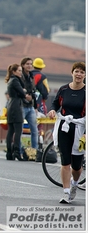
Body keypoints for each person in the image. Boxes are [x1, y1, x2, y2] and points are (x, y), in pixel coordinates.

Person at [47, 62, 85, 204]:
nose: (79, 74)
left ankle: (74, 183)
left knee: (76, 166)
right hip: (64, 127)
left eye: (82, 72)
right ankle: (66, 193)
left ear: (85, 75)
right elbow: (56, 104)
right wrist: (52, 110)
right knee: (65, 162)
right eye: (76, 71)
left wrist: (86, 133)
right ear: (72, 73)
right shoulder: (63, 89)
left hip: (80, 128)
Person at [5, 63, 32, 161]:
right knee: (18, 130)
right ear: (14, 71)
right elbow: (22, 92)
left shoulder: (11, 80)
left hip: (11, 105)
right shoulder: (15, 80)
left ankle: (9, 152)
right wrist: (24, 92)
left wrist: (23, 92)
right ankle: (16, 152)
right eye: (19, 71)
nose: (21, 72)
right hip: (16, 106)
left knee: (11, 130)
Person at [20, 57, 38, 150]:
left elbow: (33, 91)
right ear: (23, 65)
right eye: (27, 64)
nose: (29, 66)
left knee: (34, 129)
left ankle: (35, 150)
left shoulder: (31, 76)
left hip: (30, 106)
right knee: (19, 129)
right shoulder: (20, 76)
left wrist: (35, 106)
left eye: (31, 64)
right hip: (22, 105)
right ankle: (19, 149)